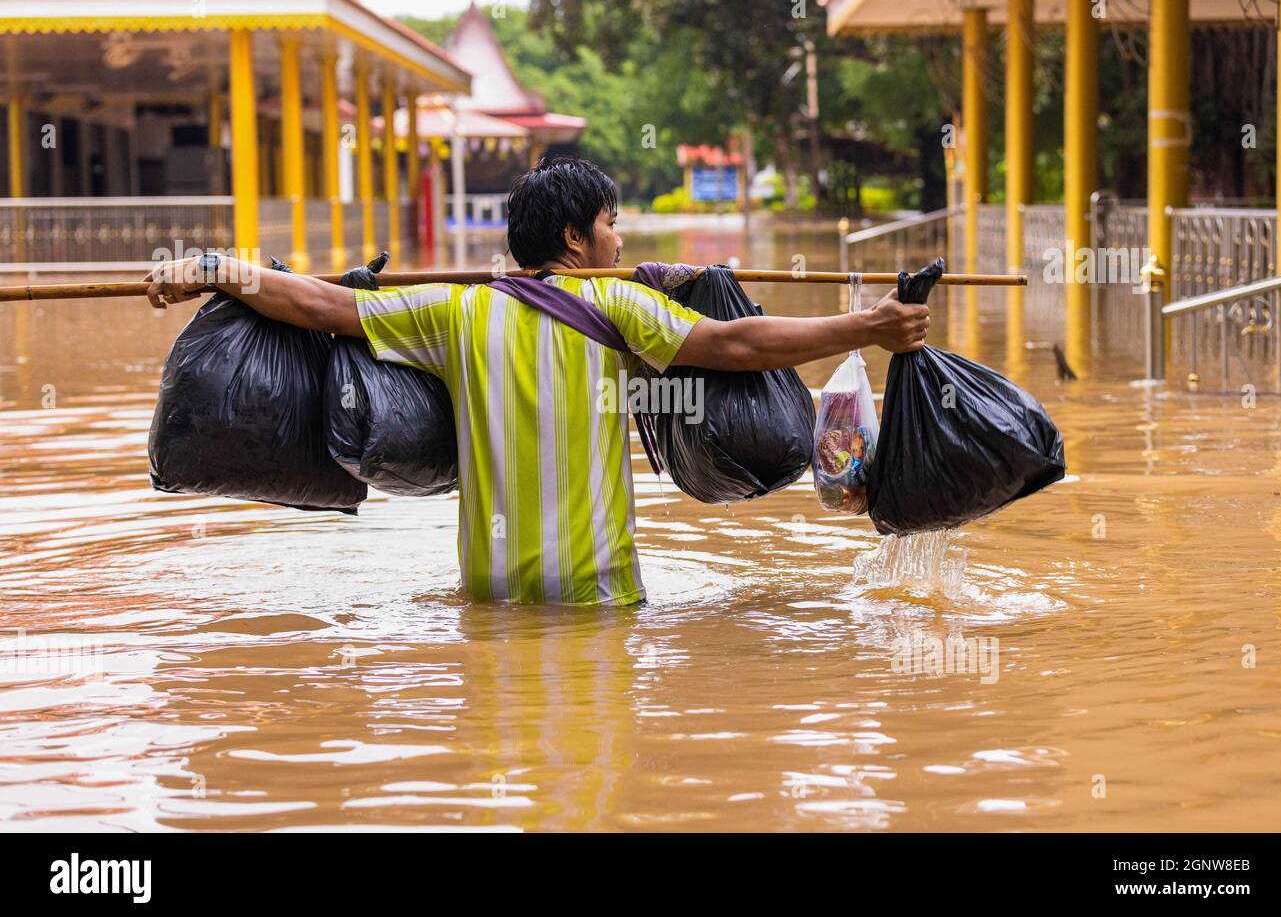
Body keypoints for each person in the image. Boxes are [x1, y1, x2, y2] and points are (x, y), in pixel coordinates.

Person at [146, 156, 929, 606]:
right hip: (599, 595)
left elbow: (319, 303)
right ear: (574, 237)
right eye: (611, 222)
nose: (618, 237)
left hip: (487, 596)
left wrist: (213, 266)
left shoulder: (458, 313)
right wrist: (866, 326)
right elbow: (736, 344)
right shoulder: (620, 306)